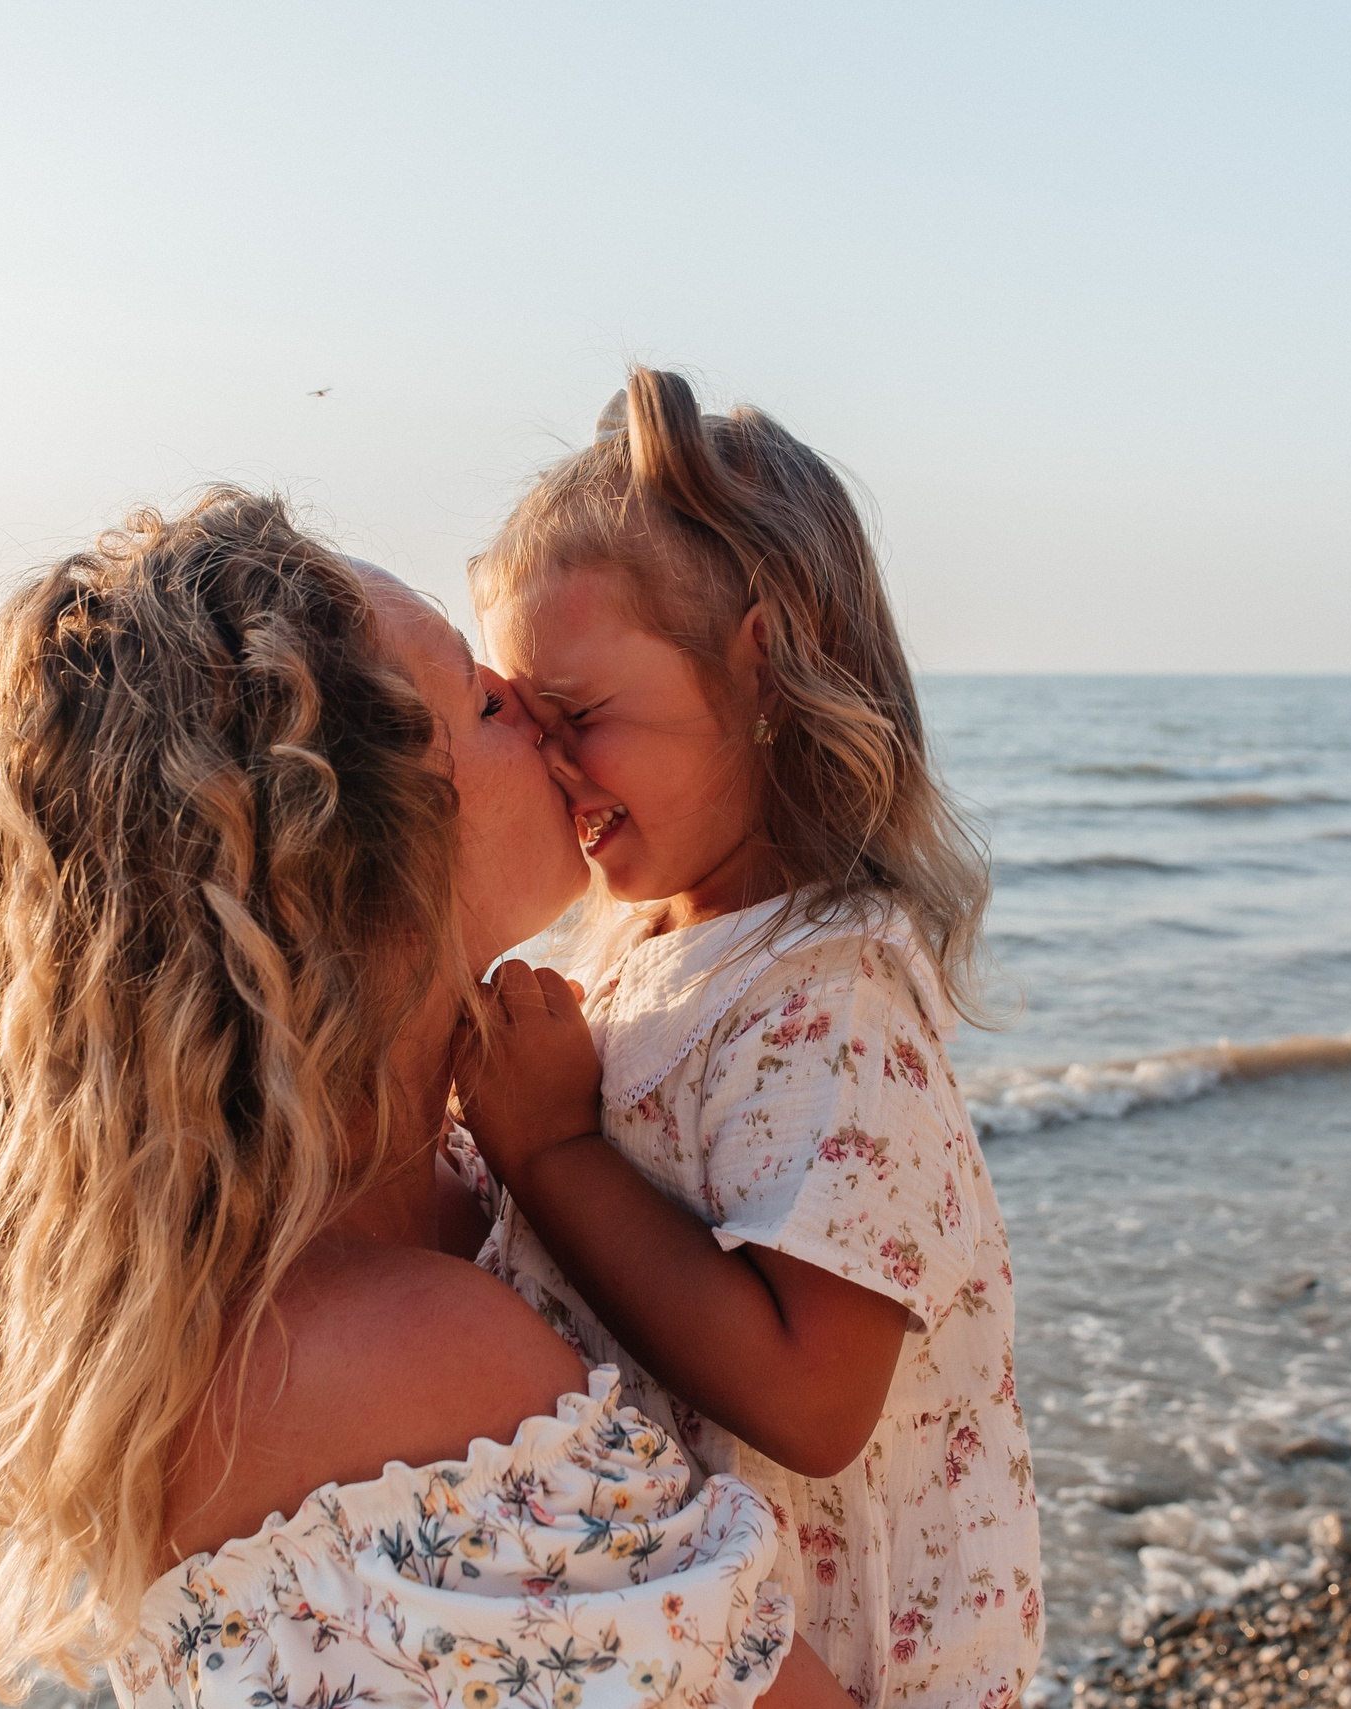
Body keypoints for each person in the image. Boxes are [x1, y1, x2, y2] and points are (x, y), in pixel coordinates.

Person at [0, 489, 853, 1709]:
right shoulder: (393, 1348)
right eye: (479, 699)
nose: (535, 704)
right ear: (359, 865)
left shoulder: (404, 1207)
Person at [458, 370, 1044, 1709]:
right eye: (522, 720)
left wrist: (551, 1148)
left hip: (859, 1669)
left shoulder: (827, 990)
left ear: (764, 664)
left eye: (582, 715)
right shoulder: (655, 952)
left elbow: (814, 1395)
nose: (551, 765)